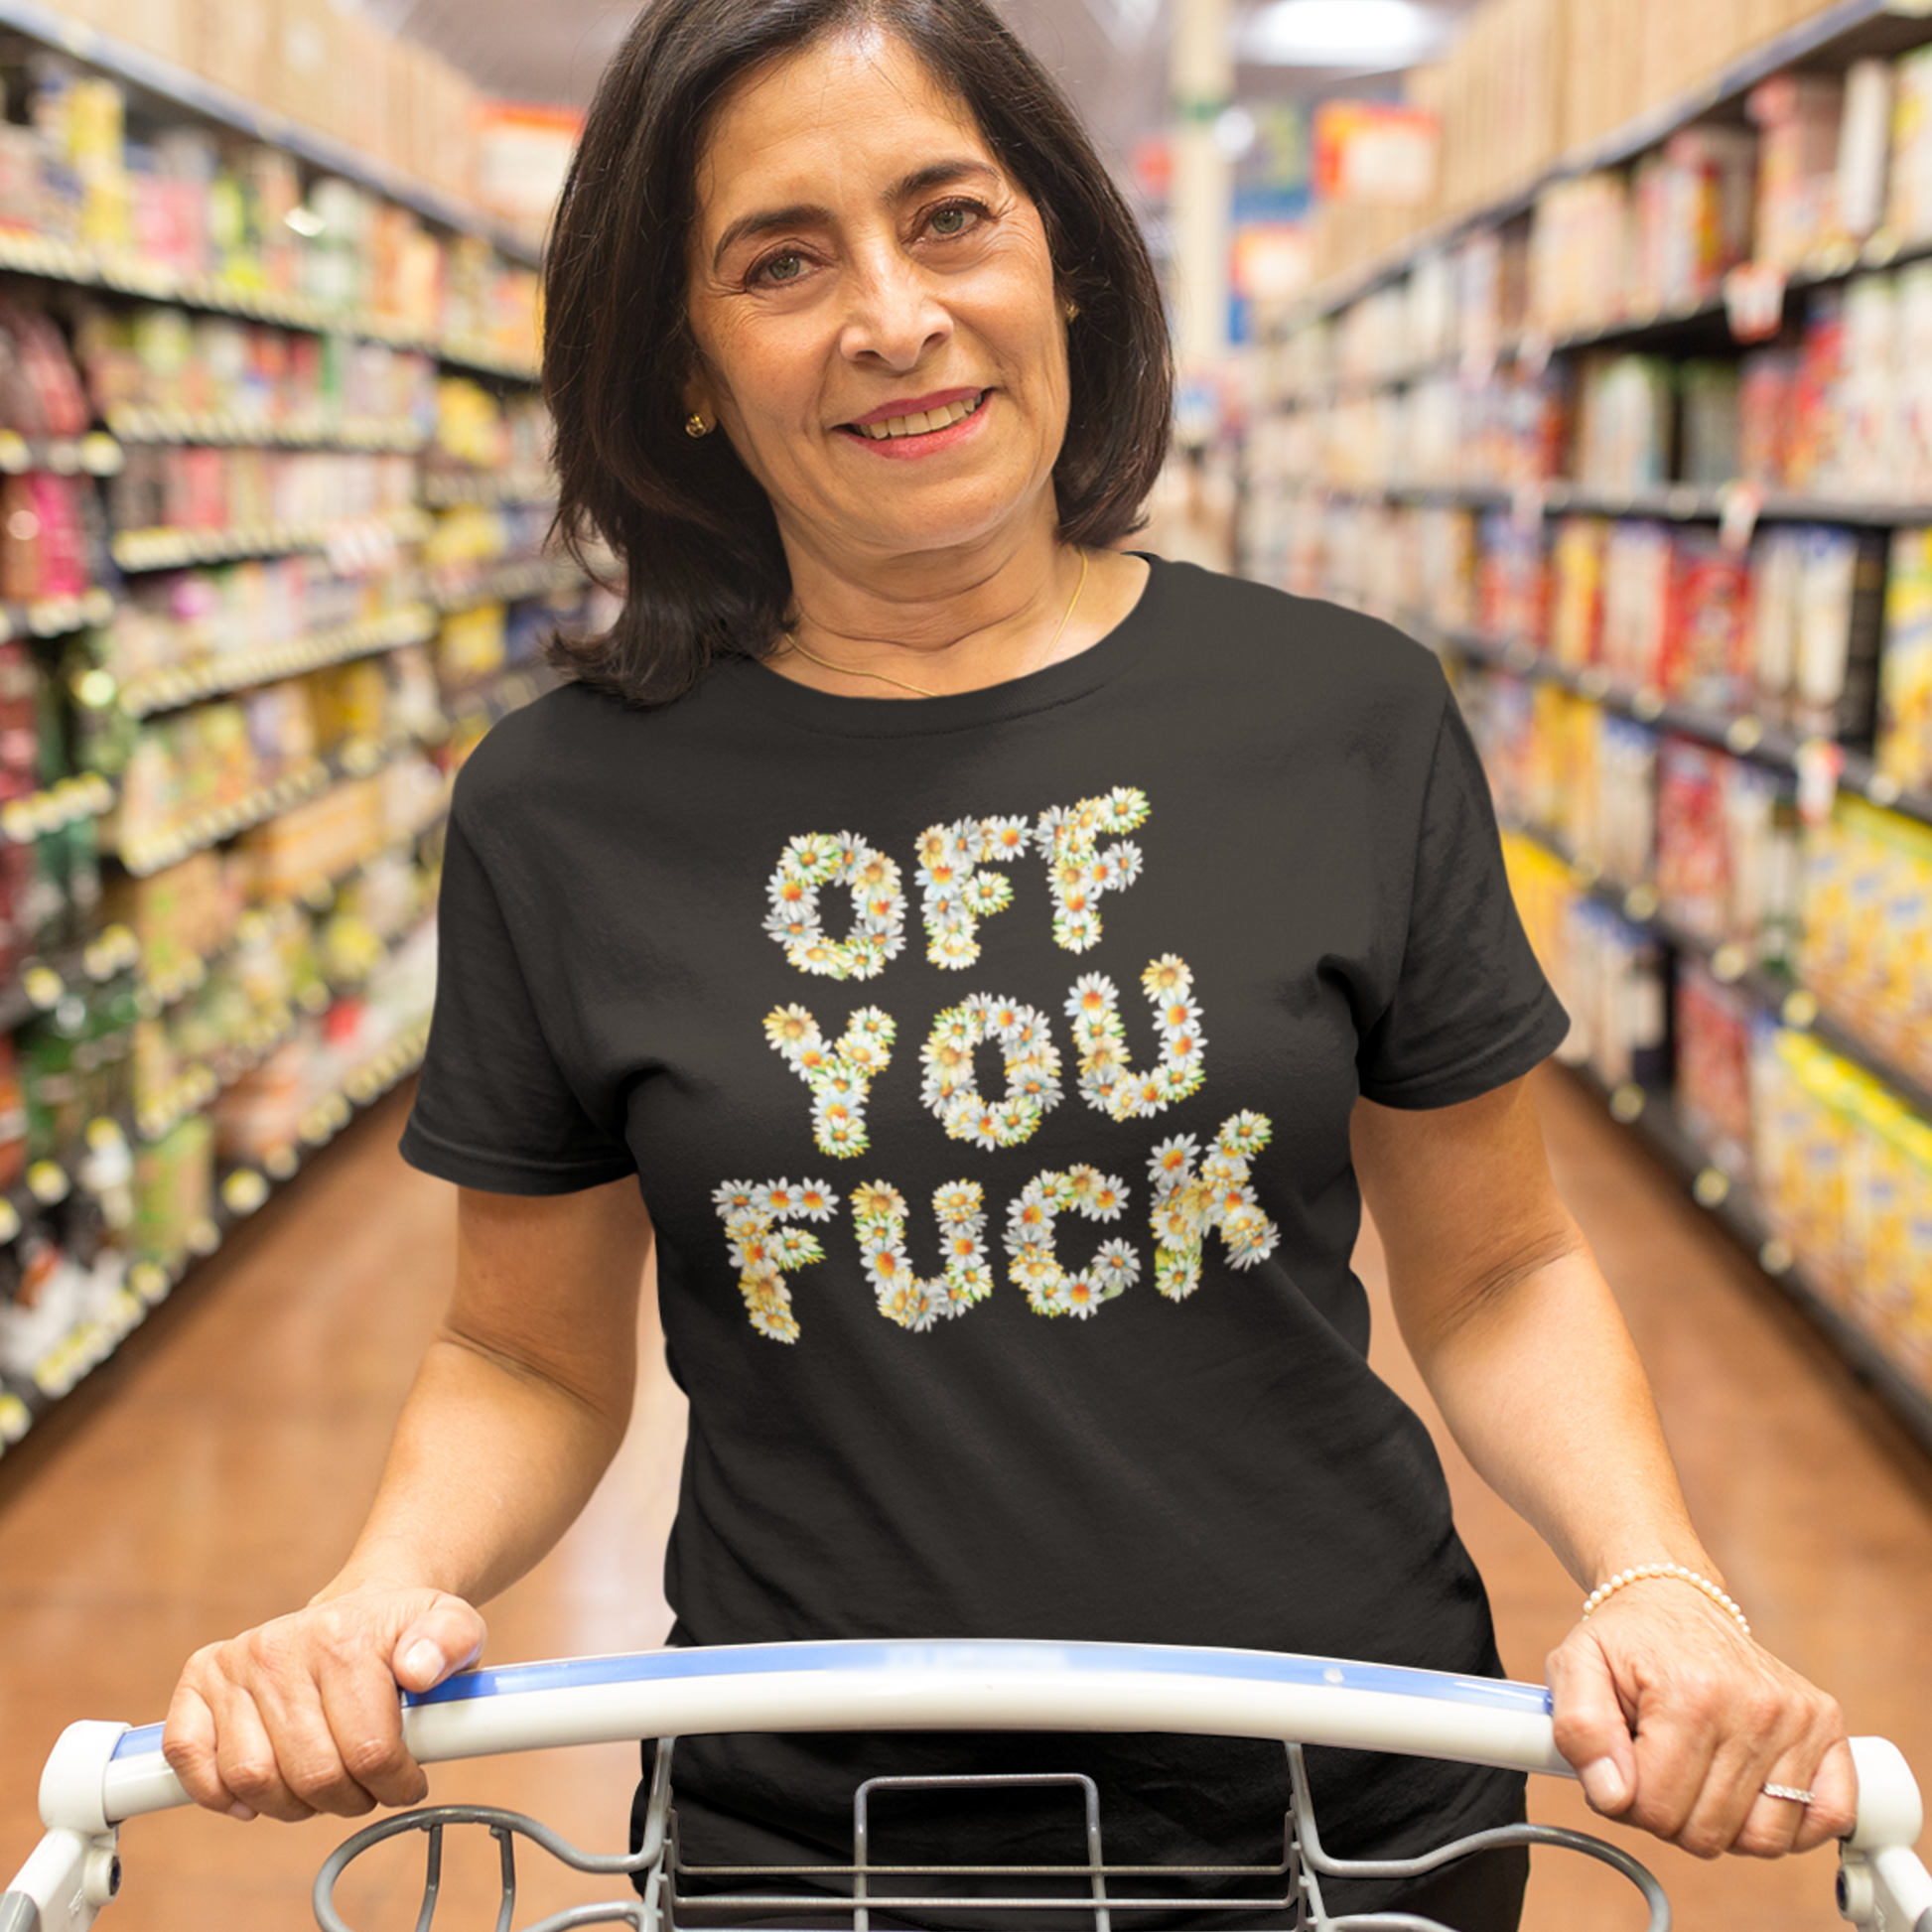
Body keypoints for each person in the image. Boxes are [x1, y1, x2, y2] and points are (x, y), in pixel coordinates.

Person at [161, 0, 1858, 1925]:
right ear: (689, 366)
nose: (891, 315)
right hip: (816, 1831)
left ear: (1064, 254)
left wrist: (1658, 1574)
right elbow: (522, 1352)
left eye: (948, 218)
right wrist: (378, 1584)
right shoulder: (563, 807)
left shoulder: (1342, 713)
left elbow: (1500, 1265)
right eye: (780, 261)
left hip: (1349, 1803)